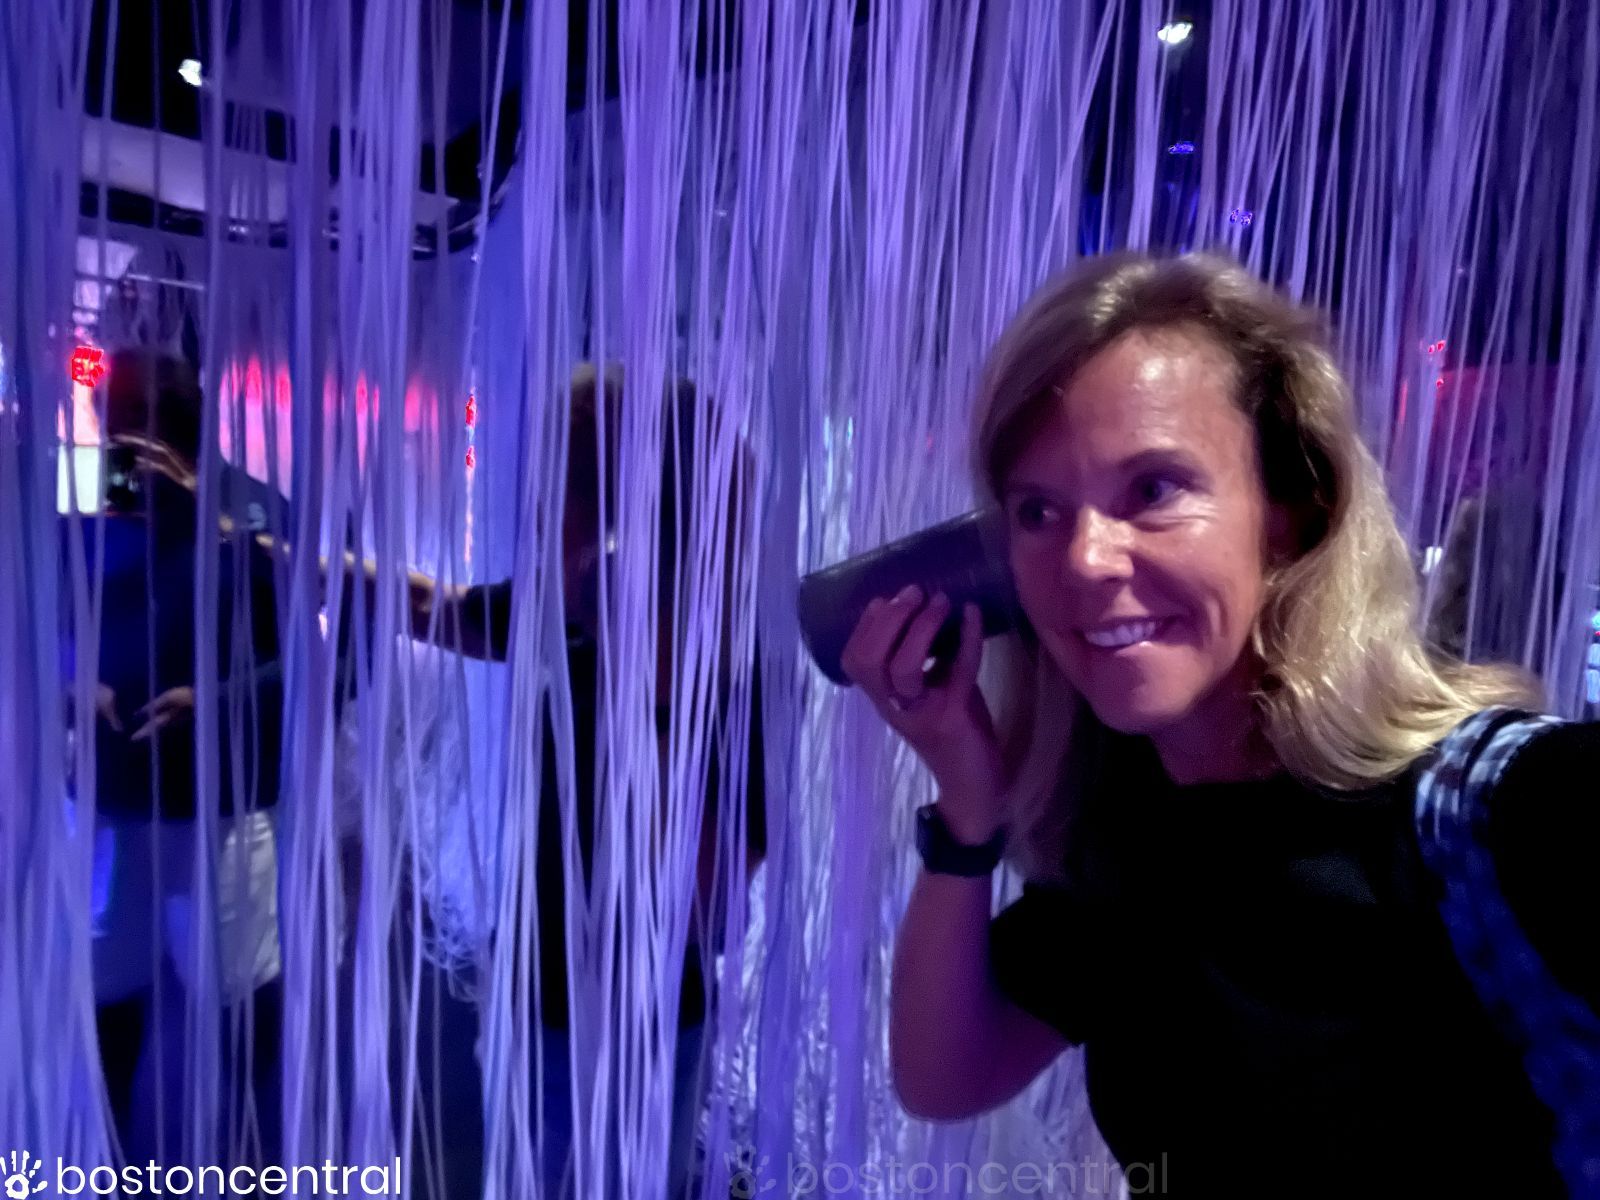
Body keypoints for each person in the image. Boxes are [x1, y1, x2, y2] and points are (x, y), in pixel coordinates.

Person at [840, 253, 1599, 1196]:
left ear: (1291, 514)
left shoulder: (1504, 811)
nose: (1083, 561)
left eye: (1154, 490)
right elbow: (944, 1076)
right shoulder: (1130, 844)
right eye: (1037, 510)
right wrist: (967, 799)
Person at [395, 363, 768, 1199]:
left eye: (560, 483)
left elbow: (706, 908)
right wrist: (281, 554)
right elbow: (441, 612)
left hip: (637, 1027)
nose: (535, 505)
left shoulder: (736, 674)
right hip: (533, 991)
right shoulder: (574, 611)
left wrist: (658, 696)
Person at [73, 348, 286, 1163]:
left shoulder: (257, 513)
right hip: (114, 798)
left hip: (217, 808)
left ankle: (252, 1159)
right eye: (108, 419)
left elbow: (335, 660)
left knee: (240, 1003)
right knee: (108, 997)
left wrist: (219, 703)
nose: (115, 438)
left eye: (131, 418)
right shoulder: (97, 512)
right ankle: (116, 1163)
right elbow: (51, 626)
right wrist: (71, 682)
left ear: (179, 420)